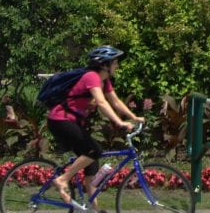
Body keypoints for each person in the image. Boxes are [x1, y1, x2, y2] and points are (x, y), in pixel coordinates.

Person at [48, 45, 143, 206]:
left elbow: (115, 101)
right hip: (60, 120)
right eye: (115, 62)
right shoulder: (91, 77)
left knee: (92, 166)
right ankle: (62, 180)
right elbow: (101, 102)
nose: (117, 66)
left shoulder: (104, 81)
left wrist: (134, 117)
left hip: (71, 122)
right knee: (94, 151)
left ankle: (95, 209)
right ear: (104, 64)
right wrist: (119, 122)